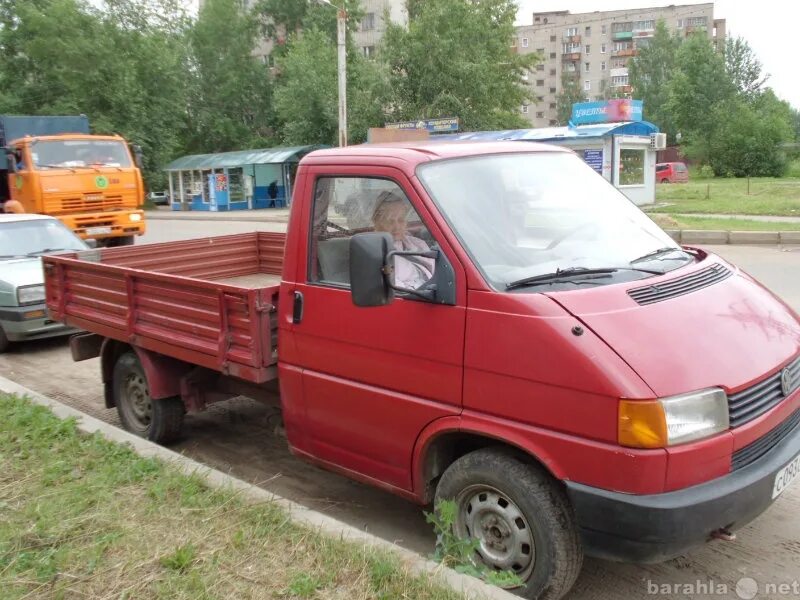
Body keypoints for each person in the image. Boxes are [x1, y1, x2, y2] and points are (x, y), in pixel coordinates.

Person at [372, 190, 435, 290]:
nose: (396, 226)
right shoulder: (373, 252)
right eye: (390, 221)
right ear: (377, 222)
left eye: (401, 220)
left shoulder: (418, 243)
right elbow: (398, 292)